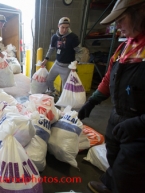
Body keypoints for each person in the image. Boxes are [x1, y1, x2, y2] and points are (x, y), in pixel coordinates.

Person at [78, 0, 145, 192]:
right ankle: (110, 184)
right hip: (118, 115)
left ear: (140, 14)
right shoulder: (125, 47)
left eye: (121, 19)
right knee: (113, 155)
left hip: (139, 127)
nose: (117, 26)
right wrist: (92, 101)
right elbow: (109, 78)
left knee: (130, 170)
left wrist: (139, 123)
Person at [41, 17, 80, 96]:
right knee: (48, 80)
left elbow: (80, 51)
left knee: (65, 87)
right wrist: (45, 59)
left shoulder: (73, 37)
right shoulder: (54, 37)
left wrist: (76, 63)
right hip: (57, 64)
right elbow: (51, 49)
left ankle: (63, 102)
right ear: (58, 26)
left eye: (67, 28)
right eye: (62, 27)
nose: (64, 30)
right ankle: (53, 91)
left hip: (67, 66)